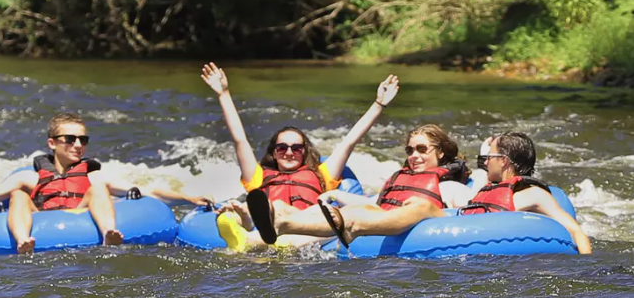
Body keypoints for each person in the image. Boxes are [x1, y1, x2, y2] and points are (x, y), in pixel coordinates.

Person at [248, 131, 592, 255]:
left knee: (420, 205)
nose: (483, 162)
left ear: (507, 161)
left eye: (488, 157)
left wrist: (585, 270)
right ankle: (282, 221)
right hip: (442, 223)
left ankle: (291, 223)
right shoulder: (481, 186)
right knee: (368, 213)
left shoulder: (529, 193)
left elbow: (572, 228)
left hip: (442, 221)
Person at [0, 113, 209, 254]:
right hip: (42, 217)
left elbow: (147, 190)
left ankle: (109, 234)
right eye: (70, 139)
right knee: (18, 195)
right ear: (52, 143)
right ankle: (22, 241)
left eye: (83, 140)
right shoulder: (29, 177)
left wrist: (188, 198)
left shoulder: (92, 176)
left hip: (84, 209)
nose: (78, 145)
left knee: (99, 188)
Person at [200, 62, 400, 251]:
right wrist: (223, 94)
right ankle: (239, 220)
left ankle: (252, 239)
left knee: (281, 208)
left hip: (305, 220)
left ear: (305, 151)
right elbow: (240, 140)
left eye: (296, 148)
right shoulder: (259, 175)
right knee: (242, 209)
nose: (289, 152)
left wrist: (378, 104)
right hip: (266, 219)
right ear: (274, 152)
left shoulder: (323, 172)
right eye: (282, 148)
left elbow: (349, 141)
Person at [458, 132, 591, 254]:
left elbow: (576, 231)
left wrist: (586, 266)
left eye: (489, 157)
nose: (486, 162)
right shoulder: (487, 190)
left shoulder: (534, 194)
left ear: (504, 161)